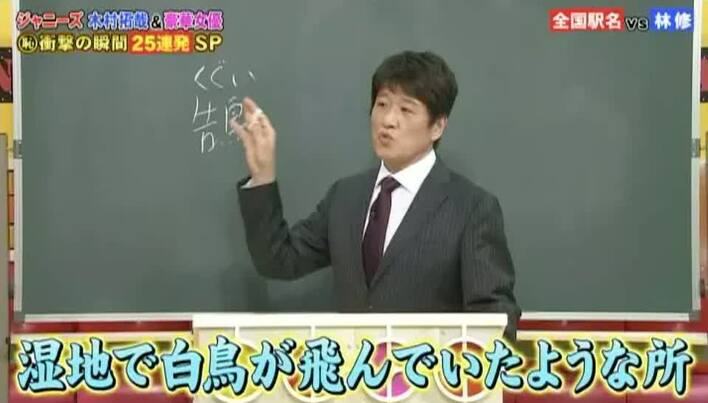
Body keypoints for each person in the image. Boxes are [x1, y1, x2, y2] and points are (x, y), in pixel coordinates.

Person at [231, 50, 521, 340]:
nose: (388, 120)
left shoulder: (471, 207)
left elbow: (495, 316)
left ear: (437, 126)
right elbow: (279, 261)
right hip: (354, 366)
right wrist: (263, 177)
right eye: (382, 104)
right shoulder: (345, 196)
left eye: (406, 109)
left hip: (425, 367)